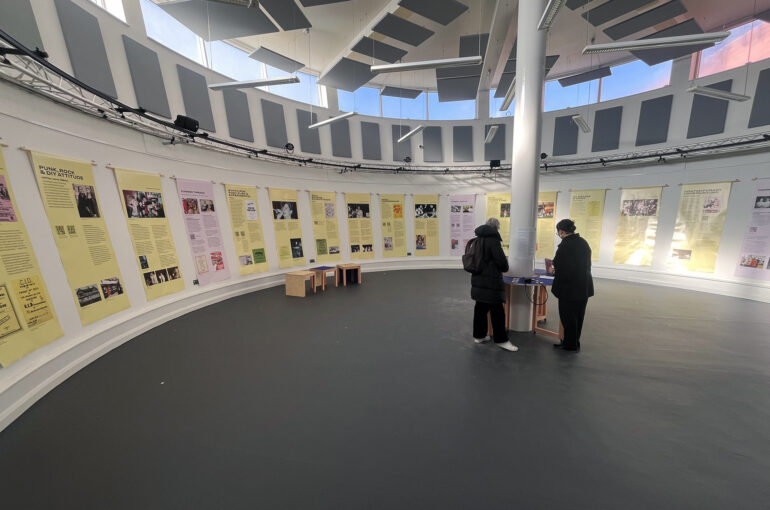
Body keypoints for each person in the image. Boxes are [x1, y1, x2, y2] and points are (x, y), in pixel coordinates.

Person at [470, 218, 518, 352]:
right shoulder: (494, 241)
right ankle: (502, 340)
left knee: (480, 309)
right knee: (498, 312)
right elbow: (503, 265)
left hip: (478, 282)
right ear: (496, 228)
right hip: (491, 283)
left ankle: (479, 336)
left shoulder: (477, 241)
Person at [550, 219, 594, 352]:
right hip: (584, 286)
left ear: (561, 231)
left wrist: (554, 270)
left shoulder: (565, 245)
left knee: (568, 317)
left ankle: (569, 345)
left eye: (558, 232)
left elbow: (561, 266)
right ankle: (574, 342)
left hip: (569, 289)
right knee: (578, 316)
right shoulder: (583, 242)